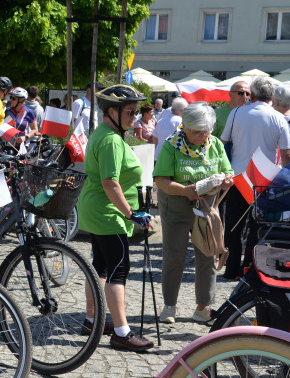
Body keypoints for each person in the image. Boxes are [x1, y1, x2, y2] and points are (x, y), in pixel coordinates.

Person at [76, 84, 154, 352]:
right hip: (108, 212)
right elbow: (111, 182)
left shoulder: (105, 133)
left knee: (100, 266)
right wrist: (131, 214)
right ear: (112, 112)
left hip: (96, 208)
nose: (135, 116)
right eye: (130, 112)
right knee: (118, 269)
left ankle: (92, 319)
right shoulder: (110, 139)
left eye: (135, 111)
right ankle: (122, 333)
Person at [152, 103, 234, 324]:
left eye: (206, 130)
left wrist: (226, 179)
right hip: (176, 205)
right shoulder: (171, 146)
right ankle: (169, 306)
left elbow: (228, 171)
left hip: (206, 209)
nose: (202, 135)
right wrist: (185, 191)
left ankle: (203, 308)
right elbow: (161, 180)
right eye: (197, 131)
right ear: (185, 127)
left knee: (208, 254)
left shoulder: (214, 144)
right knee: (174, 256)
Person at [220, 76, 290, 279]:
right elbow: (287, 154)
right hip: (264, 179)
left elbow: (223, 141)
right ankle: (250, 268)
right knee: (258, 226)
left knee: (233, 225)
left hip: (238, 176)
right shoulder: (278, 117)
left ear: (251, 95)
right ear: (272, 97)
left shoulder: (235, 113)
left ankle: (231, 267)